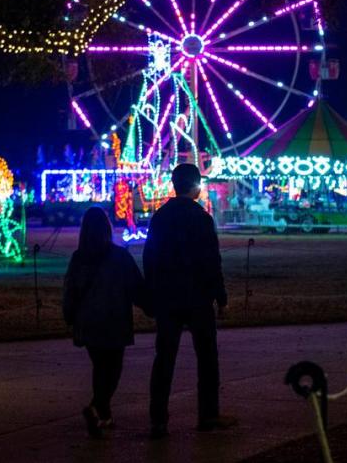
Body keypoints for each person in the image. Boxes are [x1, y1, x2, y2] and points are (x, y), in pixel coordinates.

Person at [143, 163, 236, 439]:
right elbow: (211, 262)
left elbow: (150, 258)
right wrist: (221, 298)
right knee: (207, 358)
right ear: (196, 185)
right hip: (198, 297)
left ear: (173, 184)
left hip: (168, 299)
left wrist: (153, 293)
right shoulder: (202, 218)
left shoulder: (160, 217)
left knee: (164, 359)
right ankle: (208, 414)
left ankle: (158, 419)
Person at [62, 206, 146, 438]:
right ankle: (96, 406)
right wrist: (151, 306)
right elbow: (136, 287)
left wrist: (69, 315)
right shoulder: (119, 256)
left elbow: (70, 289)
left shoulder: (79, 258)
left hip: (88, 321)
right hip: (113, 319)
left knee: (100, 367)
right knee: (113, 369)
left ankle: (103, 414)